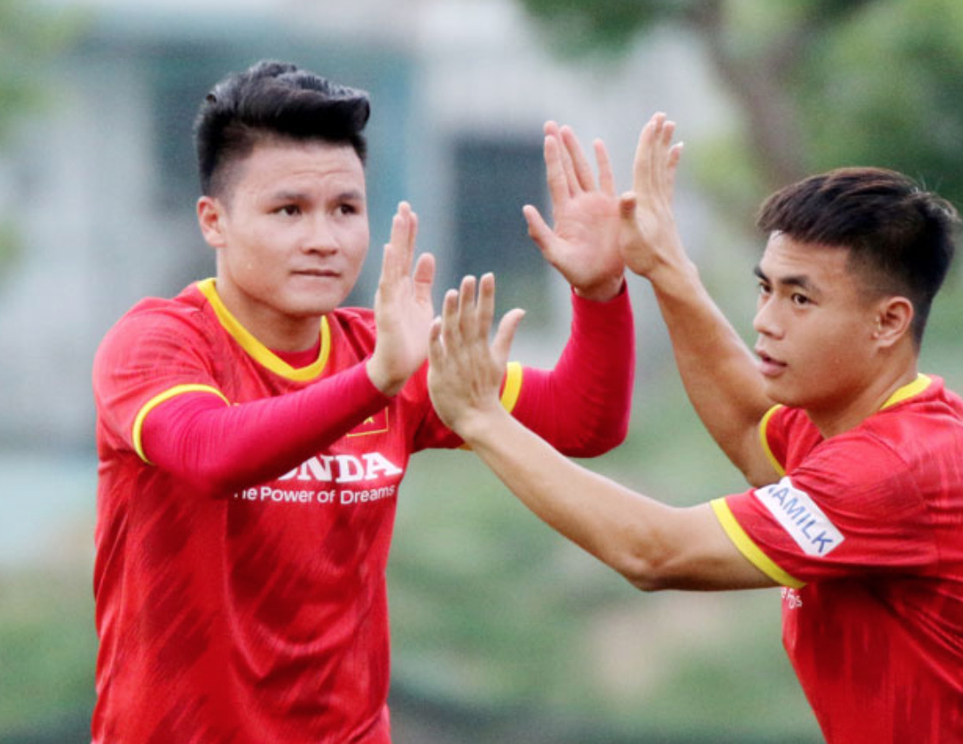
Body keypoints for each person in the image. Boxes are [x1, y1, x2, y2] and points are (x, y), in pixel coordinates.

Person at [426, 113, 963, 743]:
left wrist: (484, 418)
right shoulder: (864, 424)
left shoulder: (894, 469)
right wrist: (661, 265)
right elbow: (752, 426)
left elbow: (655, 554)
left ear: (888, 322)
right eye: (766, 289)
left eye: (800, 298)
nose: (765, 321)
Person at [90, 59, 635, 743]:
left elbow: (584, 422)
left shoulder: (384, 351)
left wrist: (600, 292)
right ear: (214, 221)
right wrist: (376, 380)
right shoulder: (156, 344)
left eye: (345, 209)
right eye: (289, 210)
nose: (324, 239)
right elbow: (211, 454)